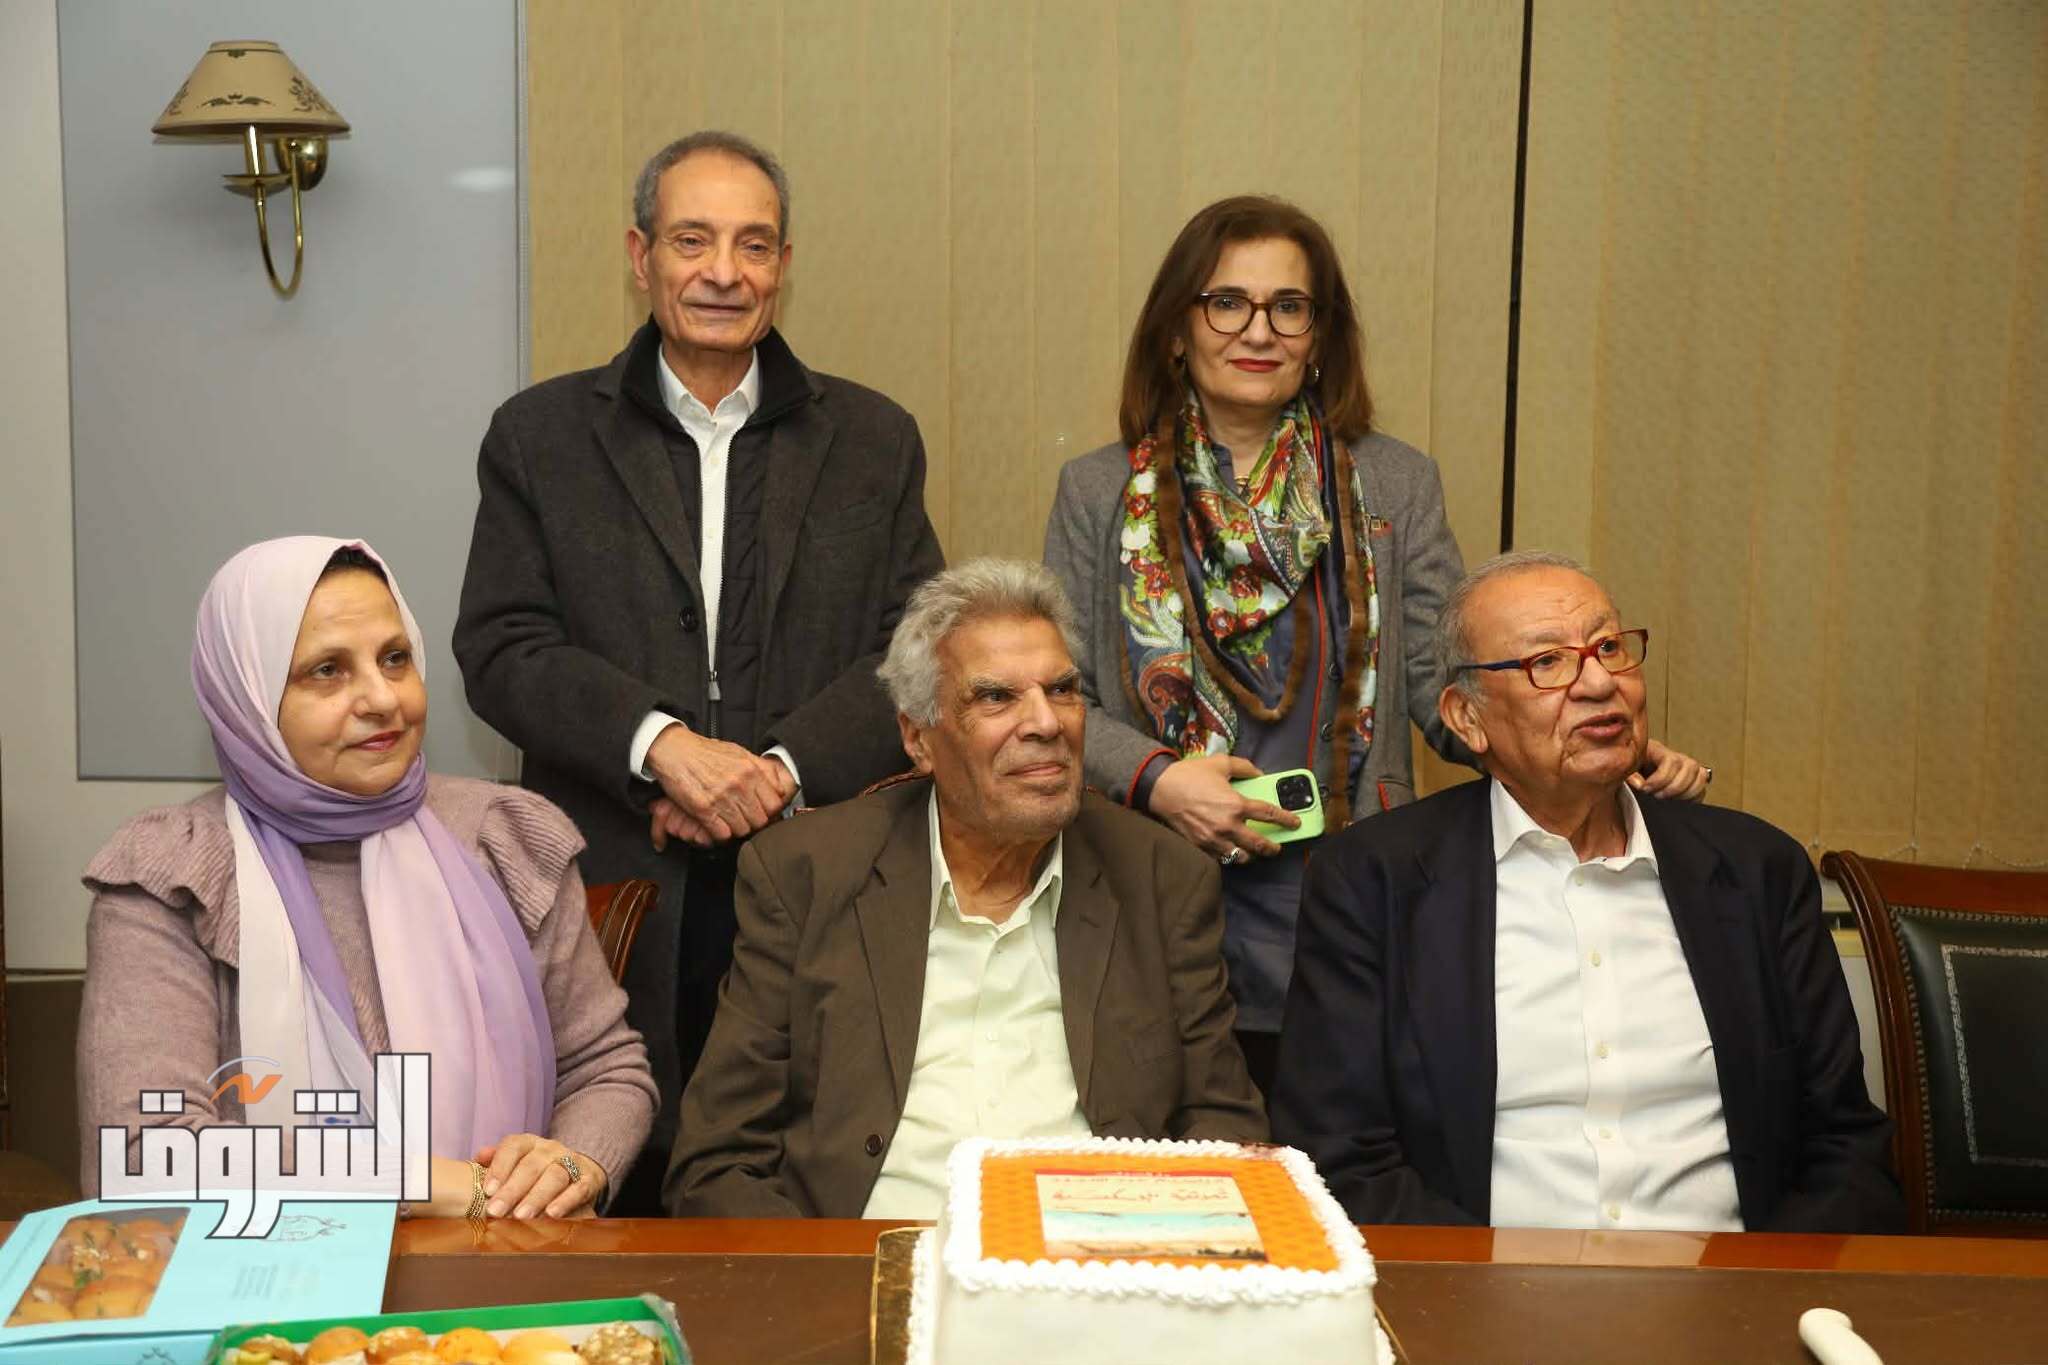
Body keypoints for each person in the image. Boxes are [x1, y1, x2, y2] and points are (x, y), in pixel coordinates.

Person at [1045, 195, 1708, 1095]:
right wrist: (1161, 780)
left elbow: (1449, 688)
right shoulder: (1095, 492)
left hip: (1346, 887)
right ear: (1176, 328)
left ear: (1319, 336)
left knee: (1336, 1148)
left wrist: (1584, 740)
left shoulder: (1393, 482)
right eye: (1227, 302)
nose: (1259, 330)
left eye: (1289, 306)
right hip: (1158, 879)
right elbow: (1060, 698)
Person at [453, 130, 944, 1208]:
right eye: (692, 240)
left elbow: (917, 648)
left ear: (783, 265)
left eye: (753, 245)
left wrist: (773, 771)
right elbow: (501, 644)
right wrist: (664, 749)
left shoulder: (872, 438)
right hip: (614, 880)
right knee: (610, 1168)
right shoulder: (539, 436)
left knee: (804, 1173)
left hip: (819, 869)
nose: (724, 271)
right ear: (641, 256)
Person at [1270, 551, 1904, 1232]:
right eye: (1548, 662)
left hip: (1733, 1286)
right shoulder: (1373, 882)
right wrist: (1488, 1287)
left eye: (1609, 648)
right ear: (1466, 717)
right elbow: (1340, 1161)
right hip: (1481, 1288)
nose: (1600, 683)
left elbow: (1845, 1146)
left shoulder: (1757, 872)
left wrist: (1757, 1287)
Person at [666, 560, 1266, 1218]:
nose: (1046, 722)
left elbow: (1226, 1137)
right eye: (996, 697)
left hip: (1094, 1258)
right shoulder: (806, 873)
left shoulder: (1161, 876)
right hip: (871, 1256)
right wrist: (834, 1271)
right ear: (917, 738)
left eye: (1062, 689)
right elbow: (715, 1164)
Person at [78, 538, 657, 1219]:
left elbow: (605, 1068)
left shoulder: (504, 838)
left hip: (501, 1270)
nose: (382, 698)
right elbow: (147, 1155)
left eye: (395, 658)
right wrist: (431, 1186)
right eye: (327, 670)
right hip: (265, 1279)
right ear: (247, 698)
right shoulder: (173, 876)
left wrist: (570, 1166)